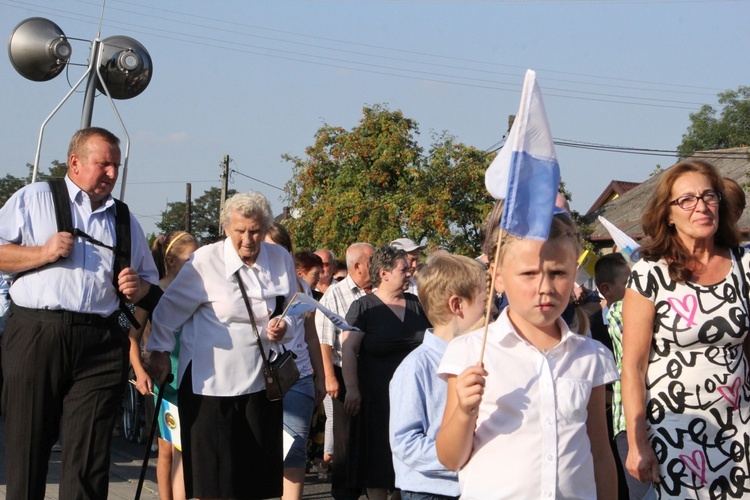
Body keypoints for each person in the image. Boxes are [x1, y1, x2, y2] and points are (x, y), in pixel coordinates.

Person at [0, 127, 158, 498]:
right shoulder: (34, 198)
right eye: (103, 164)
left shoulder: (123, 218)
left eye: (116, 166)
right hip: (38, 333)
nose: (112, 174)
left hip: (102, 342)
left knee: (89, 459)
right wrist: (42, 253)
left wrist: (138, 286)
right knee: (28, 448)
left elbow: (151, 283)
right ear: (75, 162)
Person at [436, 210, 619, 499]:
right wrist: (463, 412)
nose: (544, 288)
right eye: (528, 274)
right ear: (498, 277)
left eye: (558, 273)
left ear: (573, 273)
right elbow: (450, 458)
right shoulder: (468, 352)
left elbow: (600, 453)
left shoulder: (590, 355)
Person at [147, 192, 297, 499]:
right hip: (210, 386)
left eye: (254, 231)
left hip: (261, 384)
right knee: (213, 483)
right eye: (240, 231)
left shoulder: (279, 259)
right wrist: (159, 352)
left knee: (254, 481)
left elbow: (293, 308)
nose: (247, 239)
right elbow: (167, 312)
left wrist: (286, 327)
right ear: (227, 228)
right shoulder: (205, 261)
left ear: (264, 228)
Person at [621, 160, 750, 497]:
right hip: (674, 433)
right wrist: (637, 444)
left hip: (741, 429)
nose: (701, 206)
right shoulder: (650, 273)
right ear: (668, 213)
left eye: (709, 196)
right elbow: (633, 366)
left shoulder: (745, 265)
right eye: (687, 199)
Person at [389, 253, 486, 500]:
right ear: (457, 306)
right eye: (485, 302)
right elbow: (405, 443)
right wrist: (460, 456)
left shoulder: (479, 357)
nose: (492, 310)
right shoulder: (416, 367)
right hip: (432, 491)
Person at [342, 245, 431, 500]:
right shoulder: (363, 308)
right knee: (377, 466)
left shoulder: (418, 305)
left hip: (415, 400)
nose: (410, 272)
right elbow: (349, 349)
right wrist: (353, 389)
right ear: (384, 274)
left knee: (410, 464)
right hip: (376, 400)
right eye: (404, 269)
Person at [130, 230, 198, 500]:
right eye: (189, 259)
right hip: (163, 381)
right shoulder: (153, 293)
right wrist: (139, 372)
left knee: (185, 448)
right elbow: (132, 338)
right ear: (171, 261)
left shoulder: (195, 293)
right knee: (168, 449)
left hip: (192, 376)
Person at [264, 224, 327, 500]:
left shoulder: (302, 287)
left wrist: (322, 377)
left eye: (279, 249)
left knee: (294, 446)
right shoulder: (250, 285)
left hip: (297, 375)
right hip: (257, 377)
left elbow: (311, 336)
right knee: (260, 447)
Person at [315, 242, 374, 500]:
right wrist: (329, 377)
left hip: (372, 373)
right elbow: (324, 340)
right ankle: (344, 493)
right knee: (344, 441)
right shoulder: (335, 295)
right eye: (374, 260)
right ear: (358, 265)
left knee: (371, 436)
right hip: (341, 374)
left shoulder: (380, 292)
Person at [594, 253, 648, 500]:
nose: (640, 286)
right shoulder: (618, 311)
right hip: (630, 422)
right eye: (631, 281)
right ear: (607, 289)